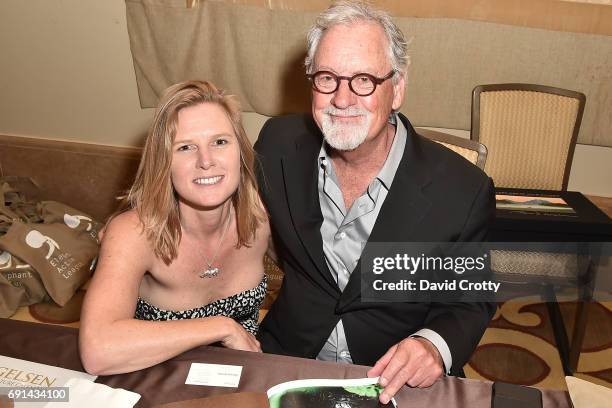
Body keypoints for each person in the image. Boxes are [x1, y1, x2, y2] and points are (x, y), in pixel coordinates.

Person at [254, 1, 495, 404]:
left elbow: (470, 301)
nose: (343, 99)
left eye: (364, 79)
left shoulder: (463, 189)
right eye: (327, 78)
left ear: (397, 87)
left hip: (393, 378)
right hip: (288, 359)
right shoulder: (278, 144)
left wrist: (433, 345)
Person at [79, 80, 269, 375]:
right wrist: (222, 327)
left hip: (241, 378)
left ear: (240, 151)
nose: (205, 161)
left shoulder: (262, 215)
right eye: (185, 147)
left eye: (220, 142)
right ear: (163, 162)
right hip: (155, 381)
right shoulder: (134, 232)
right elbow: (98, 352)